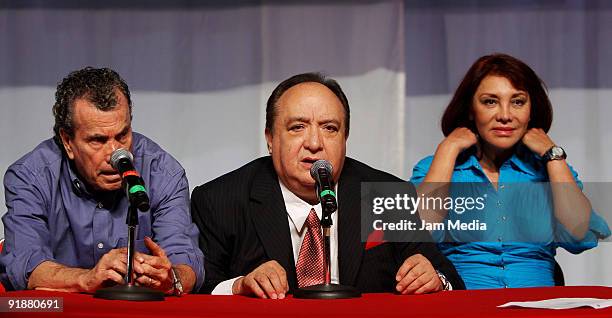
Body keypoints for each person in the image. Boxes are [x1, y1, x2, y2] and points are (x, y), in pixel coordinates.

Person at [191, 72, 464, 298]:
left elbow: (448, 277)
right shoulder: (219, 200)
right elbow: (197, 287)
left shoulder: (385, 194)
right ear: (270, 138)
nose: (314, 143)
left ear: (346, 138)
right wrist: (239, 285)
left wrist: (433, 278)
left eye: (329, 128)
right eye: (297, 127)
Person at [410, 53, 610, 289]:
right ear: (471, 110)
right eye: (490, 102)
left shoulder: (552, 169)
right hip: (464, 305)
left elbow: (579, 236)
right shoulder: (435, 166)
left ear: (531, 110)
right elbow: (417, 235)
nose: (505, 115)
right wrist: (448, 149)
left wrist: (553, 155)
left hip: (539, 307)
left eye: (517, 102)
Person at [0, 67, 204, 294]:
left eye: (122, 135)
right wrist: (87, 278)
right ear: (67, 141)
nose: (115, 154)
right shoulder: (30, 176)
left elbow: (187, 261)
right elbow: (25, 266)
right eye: (97, 140)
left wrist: (171, 278)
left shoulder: (163, 172)